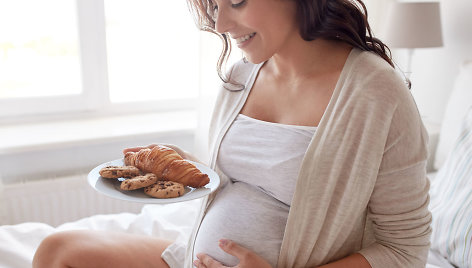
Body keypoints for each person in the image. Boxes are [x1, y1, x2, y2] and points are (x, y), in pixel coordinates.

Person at [33, 0, 432, 267]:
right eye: (213, 3)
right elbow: (242, 179)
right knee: (57, 251)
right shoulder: (242, 73)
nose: (221, 24)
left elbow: (405, 250)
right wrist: (184, 165)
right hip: (194, 254)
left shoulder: (376, 93)